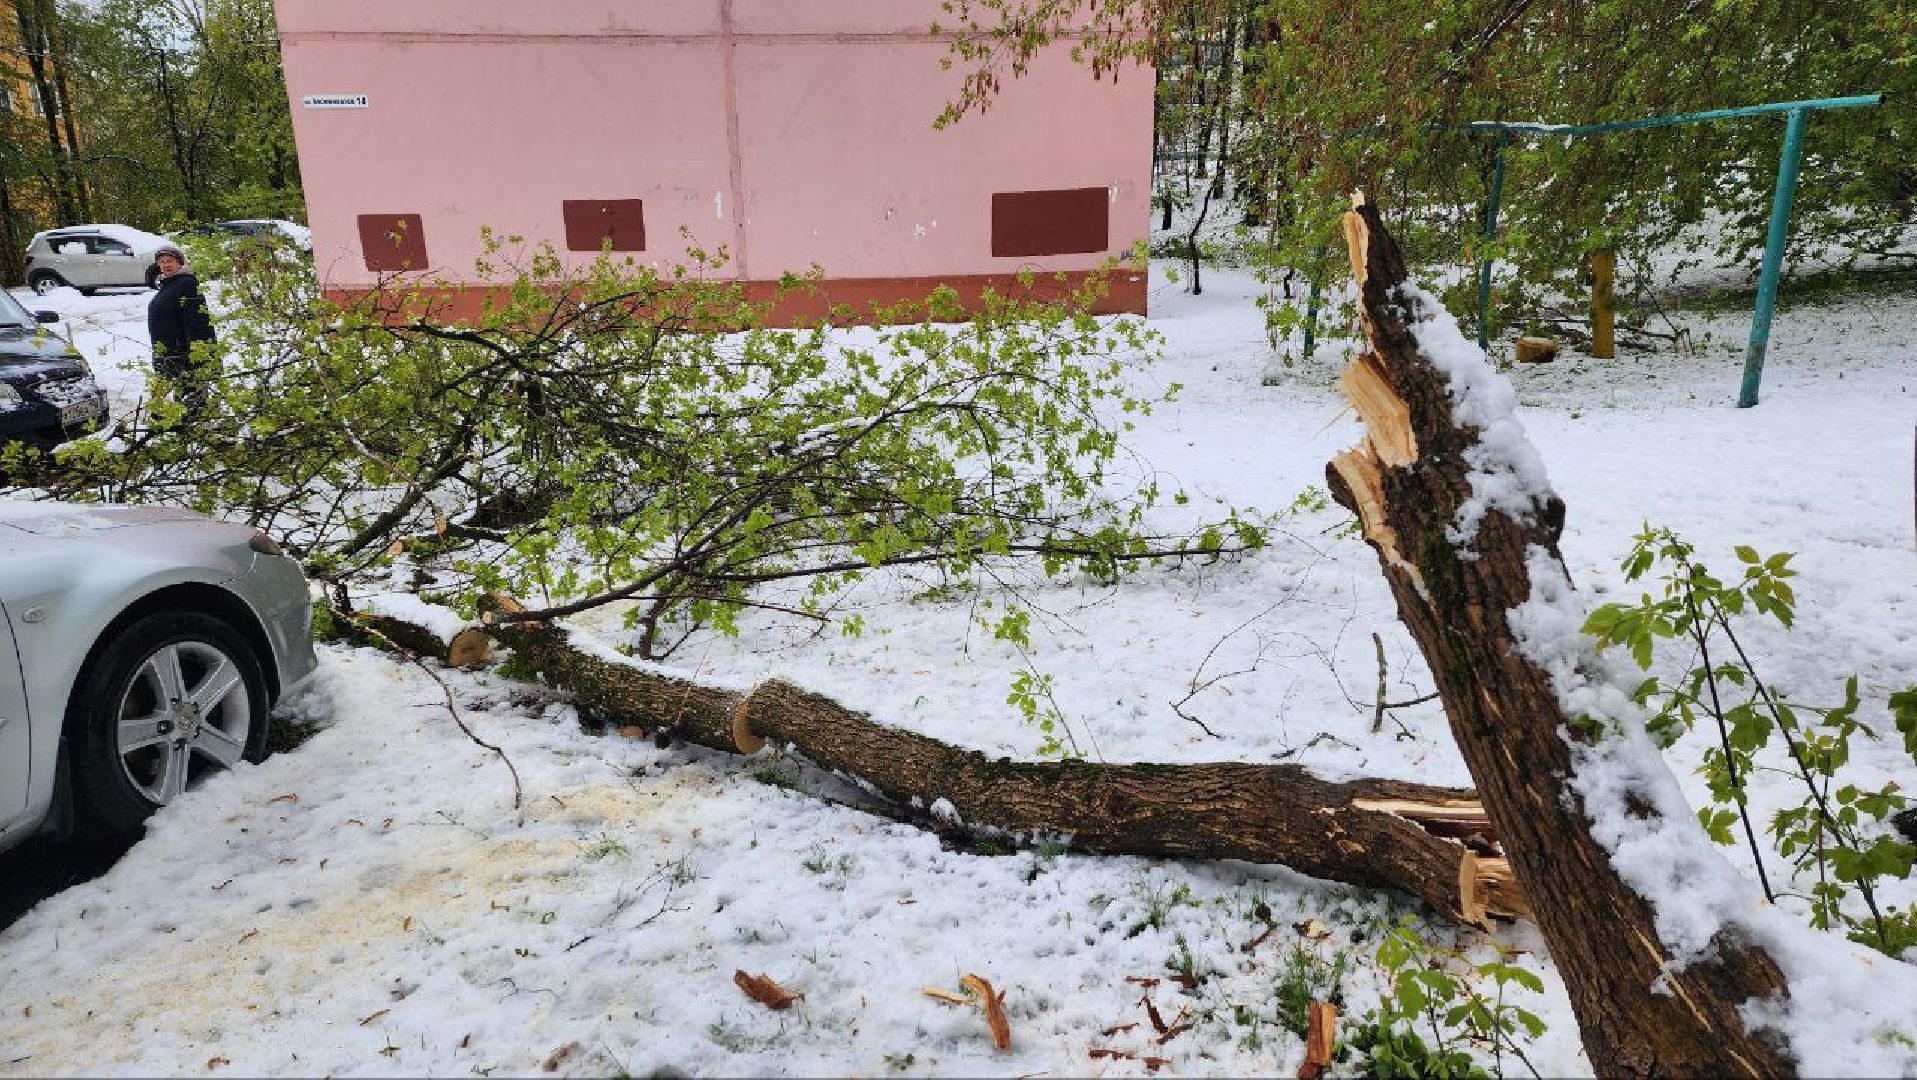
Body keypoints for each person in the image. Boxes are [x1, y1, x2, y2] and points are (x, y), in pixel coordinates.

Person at [147, 243, 215, 387]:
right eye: (162, 262)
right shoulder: (167, 285)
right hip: (169, 354)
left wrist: (196, 355)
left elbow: (197, 322)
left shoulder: (186, 285)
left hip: (184, 356)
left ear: (180, 263)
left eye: (170, 261)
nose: (166, 265)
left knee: (192, 398)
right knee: (180, 402)